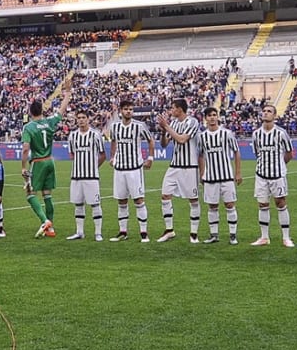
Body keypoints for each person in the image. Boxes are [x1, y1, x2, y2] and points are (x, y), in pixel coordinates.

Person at [21, 77, 73, 239]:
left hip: (38, 162)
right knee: (47, 194)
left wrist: (23, 167)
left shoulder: (28, 127)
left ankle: (45, 221)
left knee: (30, 193)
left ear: (30, 112)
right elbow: (62, 110)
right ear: (42, 111)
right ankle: (50, 228)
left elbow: (25, 148)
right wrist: (68, 92)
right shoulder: (50, 122)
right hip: (50, 161)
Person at [106, 99, 153, 243]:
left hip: (134, 169)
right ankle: (123, 232)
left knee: (139, 200)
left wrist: (150, 158)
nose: (129, 111)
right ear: (121, 111)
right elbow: (113, 141)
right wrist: (113, 157)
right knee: (121, 201)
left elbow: (150, 140)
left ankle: (144, 233)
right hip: (119, 169)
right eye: (126, 109)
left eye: (131, 109)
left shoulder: (139, 126)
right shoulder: (115, 127)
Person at [155, 97, 201, 243]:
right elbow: (164, 144)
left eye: (173, 108)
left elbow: (182, 139)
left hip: (189, 167)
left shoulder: (192, 122)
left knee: (193, 200)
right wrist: (163, 131)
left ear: (180, 109)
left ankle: (194, 233)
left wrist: (166, 126)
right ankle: (169, 230)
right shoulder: (174, 123)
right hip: (174, 166)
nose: (171, 110)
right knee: (165, 196)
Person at [250, 104, 294, 247]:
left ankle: (286, 237)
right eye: (264, 111)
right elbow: (257, 153)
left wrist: (280, 166)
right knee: (262, 204)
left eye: (269, 111)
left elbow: (289, 153)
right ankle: (264, 237)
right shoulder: (256, 134)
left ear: (274, 116)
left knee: (281, 203)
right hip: (261, 175)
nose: (266, 113)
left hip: (277, 175)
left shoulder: (281, 133)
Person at [197, 106, 241, 245]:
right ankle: (214, 235)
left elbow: (236, 152)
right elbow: (200, 155)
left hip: (226, 176)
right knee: (212, 206)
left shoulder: (227, 134)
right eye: (209, 115)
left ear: (218, 117)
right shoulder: (202, 136)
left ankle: (233, 235)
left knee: (230, 205)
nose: (212, 117)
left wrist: (238, 172)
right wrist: (202, 173)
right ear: (205, 118)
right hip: (210, 177)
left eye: (214, 115)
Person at [65, 109, 106, 241]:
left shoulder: (96, 135)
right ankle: (79, 232)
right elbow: (71, 154)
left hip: (91, 176)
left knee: (95, 204)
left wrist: (93, 167)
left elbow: (102, 155)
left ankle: (98, 233)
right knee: (78, 204)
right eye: (79, 117)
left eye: (83, 117)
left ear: (88, 119)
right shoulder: (72, 136)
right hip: (76, 176)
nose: (81, 120)